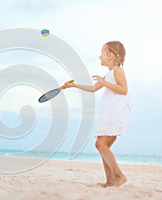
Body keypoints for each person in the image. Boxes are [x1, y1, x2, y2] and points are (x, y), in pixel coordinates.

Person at [64, 41, 130, 187]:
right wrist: (74, 85)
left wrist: (104, 82)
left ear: (110, 55)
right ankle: (111, 180)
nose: (99, 56)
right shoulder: (109, 74)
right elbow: (93, 88)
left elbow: (123, 90)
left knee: (101, 144)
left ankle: (119, 176)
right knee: (101, 145)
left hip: (116, 114)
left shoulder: (118, 70)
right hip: (109, 115)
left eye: (102, 53)